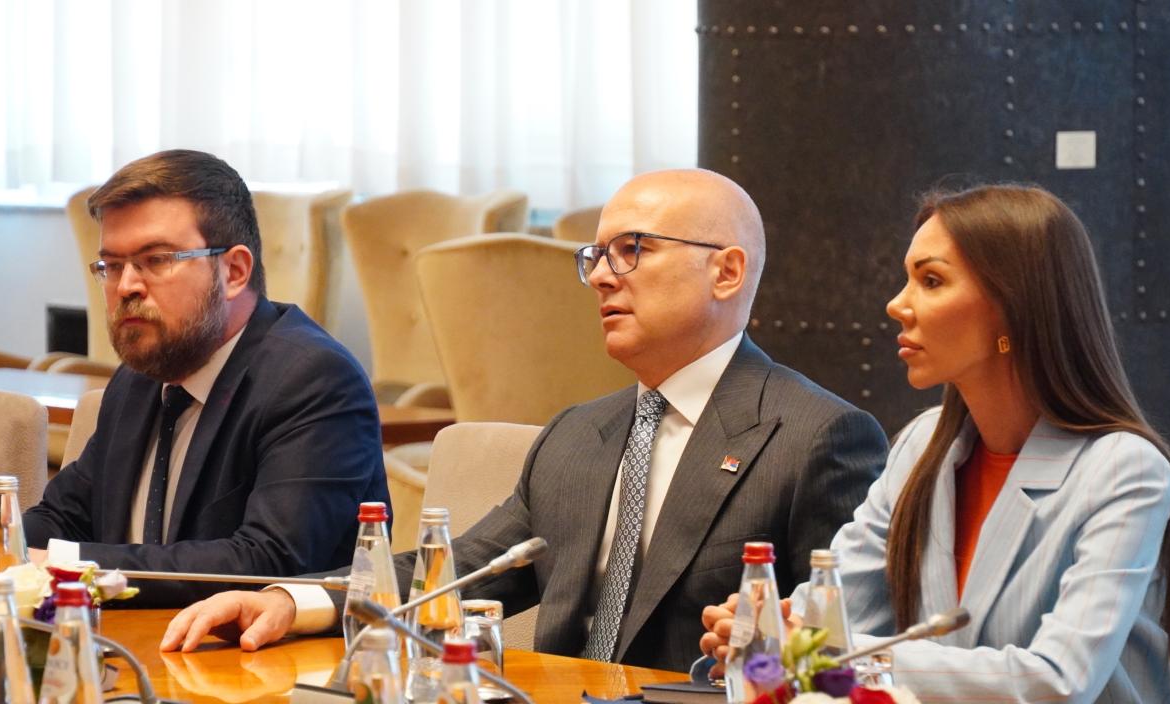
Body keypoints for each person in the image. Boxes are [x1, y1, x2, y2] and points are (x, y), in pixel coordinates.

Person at [160, 168, 889, 671]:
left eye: (632, 251)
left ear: (725, 271)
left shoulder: (817, 438)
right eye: (596, 255)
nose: (599, 276)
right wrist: (291, 600)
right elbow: (454, 575)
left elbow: (846, 651)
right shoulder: (577, 434)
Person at [699, 184, 1170, 702]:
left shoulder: (1126, 469)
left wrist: (821, 652)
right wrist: (763, 634)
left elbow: (1058, 682)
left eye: (931, 281)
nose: (896, 304)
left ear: (1012, 307)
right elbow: (835, 614)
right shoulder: (921, 445)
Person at [0, 150, 389, 607]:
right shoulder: (139, 377)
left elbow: (266, 560)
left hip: (259, 650)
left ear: (234, 271)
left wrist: (61, 564)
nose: (126, 286)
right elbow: (65, 516)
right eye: (112, 265)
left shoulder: (313, 380)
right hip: (130, 638)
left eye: (156, 260)